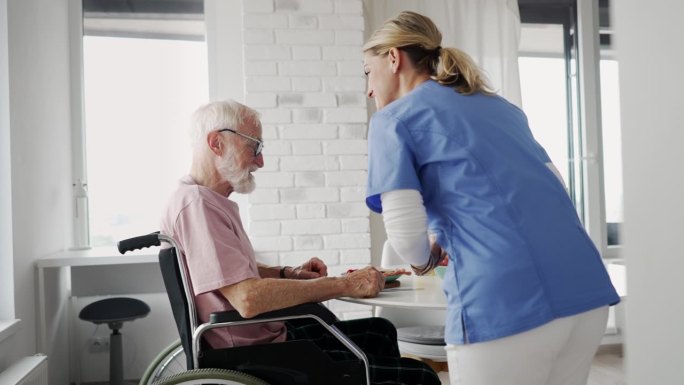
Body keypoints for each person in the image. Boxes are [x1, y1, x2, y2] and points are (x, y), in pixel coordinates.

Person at [362, 11, 620, 385]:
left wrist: (423, 261)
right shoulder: (502, 108)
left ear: (393, 58)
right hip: (584, 291)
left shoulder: (394, 120)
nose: (369, 88)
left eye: (367, 71)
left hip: (505, 302)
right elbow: (554, 186)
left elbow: (403, 230)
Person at [160, 100, 440, 385]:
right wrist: (343, 285)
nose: (260, 161)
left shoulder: (202, 201)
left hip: (264, 337)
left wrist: (287, 273)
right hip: (251, 355)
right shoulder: (197, 205)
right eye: (254, 147)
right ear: (216, 142)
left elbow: (224, 272)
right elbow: (246, 298)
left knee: (379, 331)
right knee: (421, 377)